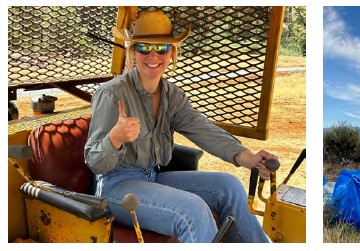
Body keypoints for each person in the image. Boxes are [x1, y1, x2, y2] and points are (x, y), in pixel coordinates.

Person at [85, 10, 275, 243]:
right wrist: (114, 138)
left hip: (151, 178)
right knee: (192, 210)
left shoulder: (172, 95)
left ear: (172, 52)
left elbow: (201, 128)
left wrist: (247, 158)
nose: (153, 55)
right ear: (133, 51)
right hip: (116, 187)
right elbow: (95, 162)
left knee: (229, 186)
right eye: (144, 47)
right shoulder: (112, 93)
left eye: (162, 48)